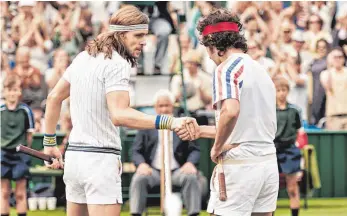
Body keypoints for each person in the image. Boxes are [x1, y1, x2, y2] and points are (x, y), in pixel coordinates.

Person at [42, 6, 198, 216]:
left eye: (146, 34)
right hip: (100, 163)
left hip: (75, 161)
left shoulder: (82, 58)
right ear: (122, 34)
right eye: (139, 35)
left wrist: (49, 143)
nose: (144, 41)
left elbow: (53, 98)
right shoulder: (117, 63)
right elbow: (120, 114)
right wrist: (171, 122)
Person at [176, 8, 279, 216]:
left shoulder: (226, 69)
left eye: (207, 48)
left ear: (214, 45)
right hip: (268, 164)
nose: (208, 55)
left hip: (240, 167)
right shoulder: (261, 70)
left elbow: (230, 112)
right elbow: (243, 127)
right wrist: (201, 130)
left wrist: (216, 147)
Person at [130, 89, 206, 216]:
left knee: (191, 177)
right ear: (155, 107)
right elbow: (135, 151)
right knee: (139, 179)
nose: (164, 109)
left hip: (177, 170)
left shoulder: (182, 124)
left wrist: (190, 163)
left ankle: (193, 213)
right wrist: (142, 164)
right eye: (160, 106)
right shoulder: (146, 126)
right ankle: (136, 213)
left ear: (172, 106)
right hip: (153, 171)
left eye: (167, 105)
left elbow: (195, 149)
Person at [1, 74, 35, 216]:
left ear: (19, 91)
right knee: (3, 192)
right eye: (9, 90)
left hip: (20, 154)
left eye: (15, 90)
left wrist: (23, 150)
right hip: (3, 153)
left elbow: (29, 135)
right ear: (4, 91)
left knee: (21, 193)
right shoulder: (1, 110)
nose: (12, 93)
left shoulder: (25, 111)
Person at [273, 77, 302, 216]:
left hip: (290, 150)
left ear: (288, 91)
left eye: (284, 90)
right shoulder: (270, 111)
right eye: (278, 90)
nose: (281, 93)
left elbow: (299, 131)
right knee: (270, 189)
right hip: (272, 150)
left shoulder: (294, 111)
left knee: (292, 188)